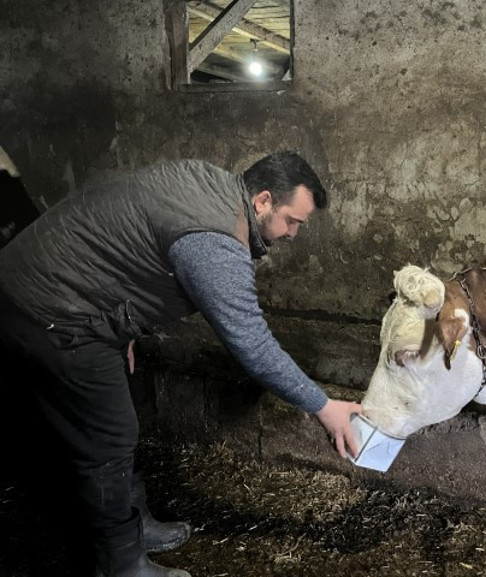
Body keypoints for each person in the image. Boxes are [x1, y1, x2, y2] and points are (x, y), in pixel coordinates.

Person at [0, 151, 362, 576]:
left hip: (61, 295)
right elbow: (251, 343)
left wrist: (124, 327)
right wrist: (324, 406)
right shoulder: (214, 238)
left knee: (115, 422)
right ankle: (120, 563)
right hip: (51, 313)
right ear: (263, 200)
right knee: (110, 435)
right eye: (293, 220)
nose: (294, 233)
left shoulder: (206, 184)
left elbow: (129, 241)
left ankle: (134, 527)